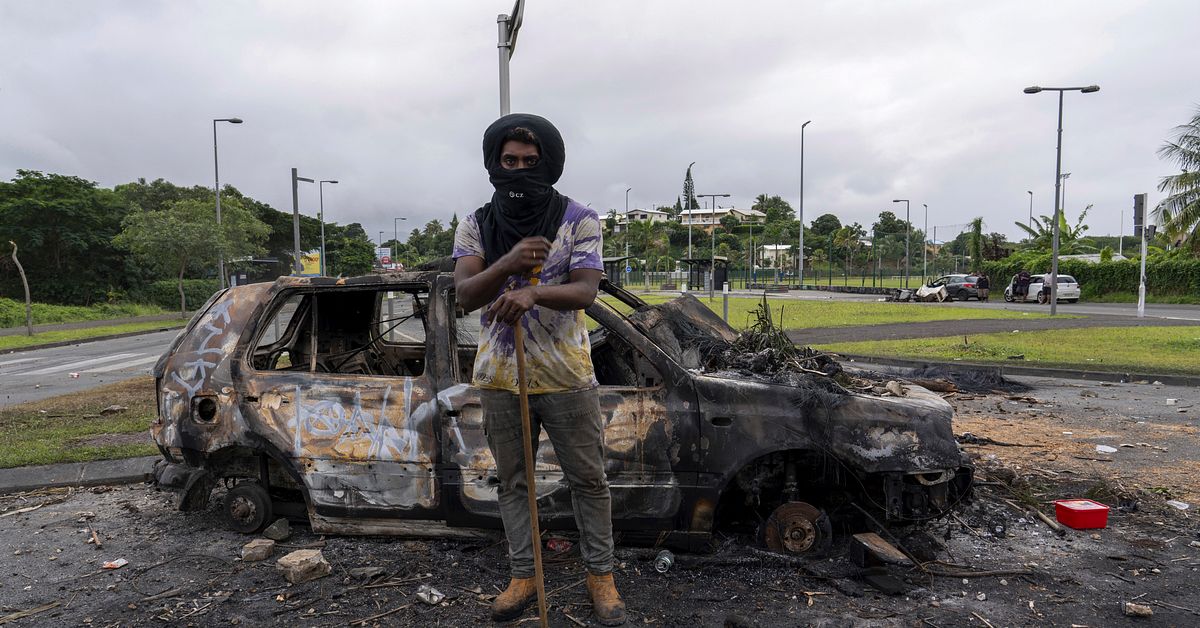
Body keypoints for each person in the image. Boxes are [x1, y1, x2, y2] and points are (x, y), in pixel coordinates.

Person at [452, 113, 626, 626]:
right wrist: (508, 265)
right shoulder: (476, 224)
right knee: (514, 482)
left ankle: (601, 578)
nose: (520, 169)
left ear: (549, 163)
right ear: (494, 163)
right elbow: (464, 294)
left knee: (589, 481)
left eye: (531, 162)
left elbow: (586, 290)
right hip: (503, 379)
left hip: (567, 376)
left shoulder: (579, 219)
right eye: (510, 161)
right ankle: (525, 575)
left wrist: (533, 292)